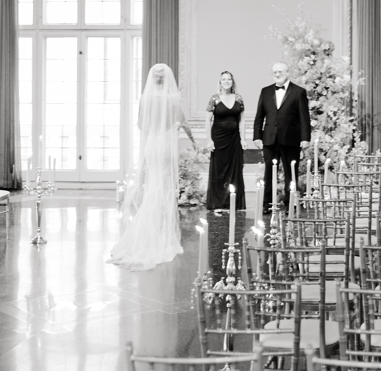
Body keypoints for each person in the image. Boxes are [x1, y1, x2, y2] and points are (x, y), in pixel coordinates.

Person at [109, 63, 195, 271]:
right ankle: (161, 233)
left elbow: (141, 125)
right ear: (167, 79)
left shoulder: (146, 98)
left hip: (152, 144)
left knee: (154, 186)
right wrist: (193, 140)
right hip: (166, 145)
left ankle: (148, 230)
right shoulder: (173, 99)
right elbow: (182, 122)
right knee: (164, 188)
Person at [253, 62, 310, 211]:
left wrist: (305, 138)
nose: (277, 74)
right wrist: (257, 136)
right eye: (275, 72)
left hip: (291, 139)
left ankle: (290, 203)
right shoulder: (265, 91)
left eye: (280, 71)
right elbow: (259, 116)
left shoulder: (299, 92)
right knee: (269, 172)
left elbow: (305, 117)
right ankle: (266, 204)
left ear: (287, 72)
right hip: (269, 138)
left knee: (291, 172)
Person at [204, 70, 245, 212]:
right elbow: (207, 120)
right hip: (218, 139)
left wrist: (243, 138)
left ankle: (232, 203)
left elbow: (242, 120)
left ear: (232, 82)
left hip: (234, 139)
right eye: (224, 79)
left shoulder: (238, 98)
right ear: (220, 82)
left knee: (235, 169)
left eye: (229, 79)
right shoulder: (214, 98)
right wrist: (209, 140)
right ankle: (218, 204)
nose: (227, 81)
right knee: (219, 170)